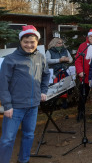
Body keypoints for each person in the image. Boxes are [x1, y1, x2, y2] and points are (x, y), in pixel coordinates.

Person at [0, 25, 50, 163]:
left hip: (33, 105)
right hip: (14, 107)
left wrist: (43, 90)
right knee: (7, 139)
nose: (29, 45)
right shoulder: (10, 59)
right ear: (20, 42)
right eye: (26, 42)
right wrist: (7, 105)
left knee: (28, 135)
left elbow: (46, 75)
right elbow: (3, 84)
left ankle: (23, 160)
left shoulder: (40, 57)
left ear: (37, 42)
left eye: (32, 42)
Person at [74, 28, 92, 122]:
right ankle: (80, 112)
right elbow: (77, 59)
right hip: (84, 76)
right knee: (83, 95)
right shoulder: (83, 46)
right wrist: (80, 71)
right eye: (90, 36)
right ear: (88, 37)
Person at [46, 37, 73, 107]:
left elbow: (71, 59)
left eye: (62, 43)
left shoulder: (65, 50)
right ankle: (54, 104)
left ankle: (64, 103)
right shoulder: (49, 51)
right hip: (55, 72)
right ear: (54, 43)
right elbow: (47, 60)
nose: (61, 44)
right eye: (59, 43)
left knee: (65, 86)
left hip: (64, 71)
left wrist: (68, 60)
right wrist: (59, 60)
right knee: (56, 88)